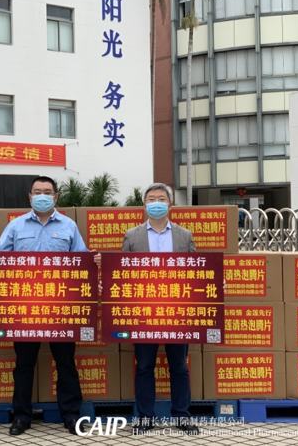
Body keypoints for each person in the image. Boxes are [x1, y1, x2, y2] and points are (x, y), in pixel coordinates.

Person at [0, 176, 88, 436]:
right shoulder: (16, 226)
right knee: (24, 364)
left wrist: (94, 262)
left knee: (66, 363)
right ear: (30, 196)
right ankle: (22, 416)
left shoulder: (69, 226)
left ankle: (71, 415)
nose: (42, 196)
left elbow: (81, 262)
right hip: (24, 308)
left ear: (56, 197)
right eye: (37, 192)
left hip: (61, 309)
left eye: (47, 192)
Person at [122, 183, 199, 435]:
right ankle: (145, 417)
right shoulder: (132, 236)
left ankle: (182, 416)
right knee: (144, 366)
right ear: (144, 205)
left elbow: (197, 272)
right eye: (152, 199)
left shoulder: (184, 235)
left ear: (170, 204)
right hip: (144, 312)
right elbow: (123, 274)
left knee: (179, 366)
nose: (157, 203)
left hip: (177, 311)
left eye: (162, 199)